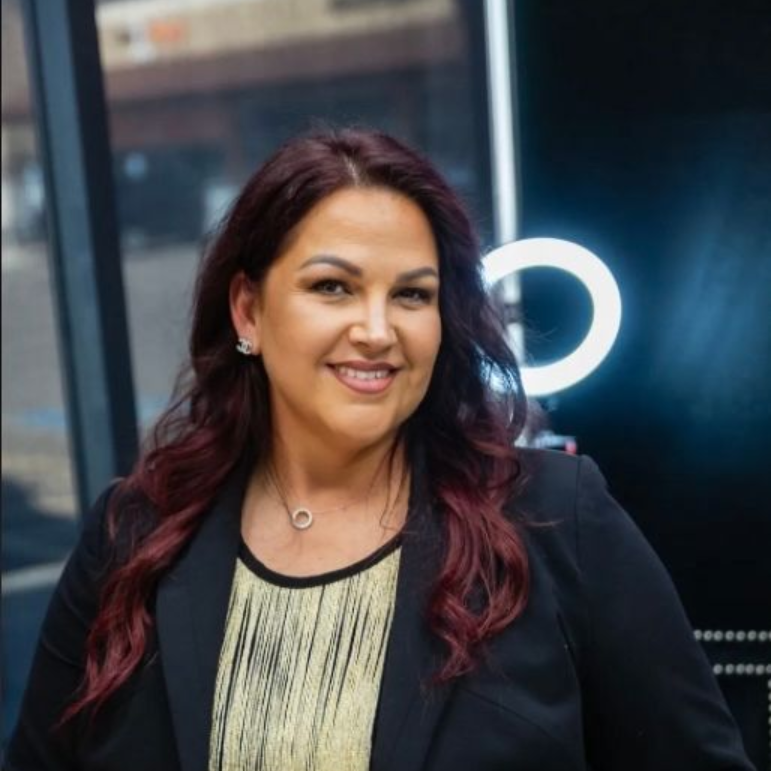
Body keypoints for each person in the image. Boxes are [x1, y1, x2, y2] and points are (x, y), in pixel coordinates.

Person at [6, 128, 755, 771]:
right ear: (248, 310)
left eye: (412, 294)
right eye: (333, 287)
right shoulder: (134, 538)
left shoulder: (557, 522)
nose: (376, 329)